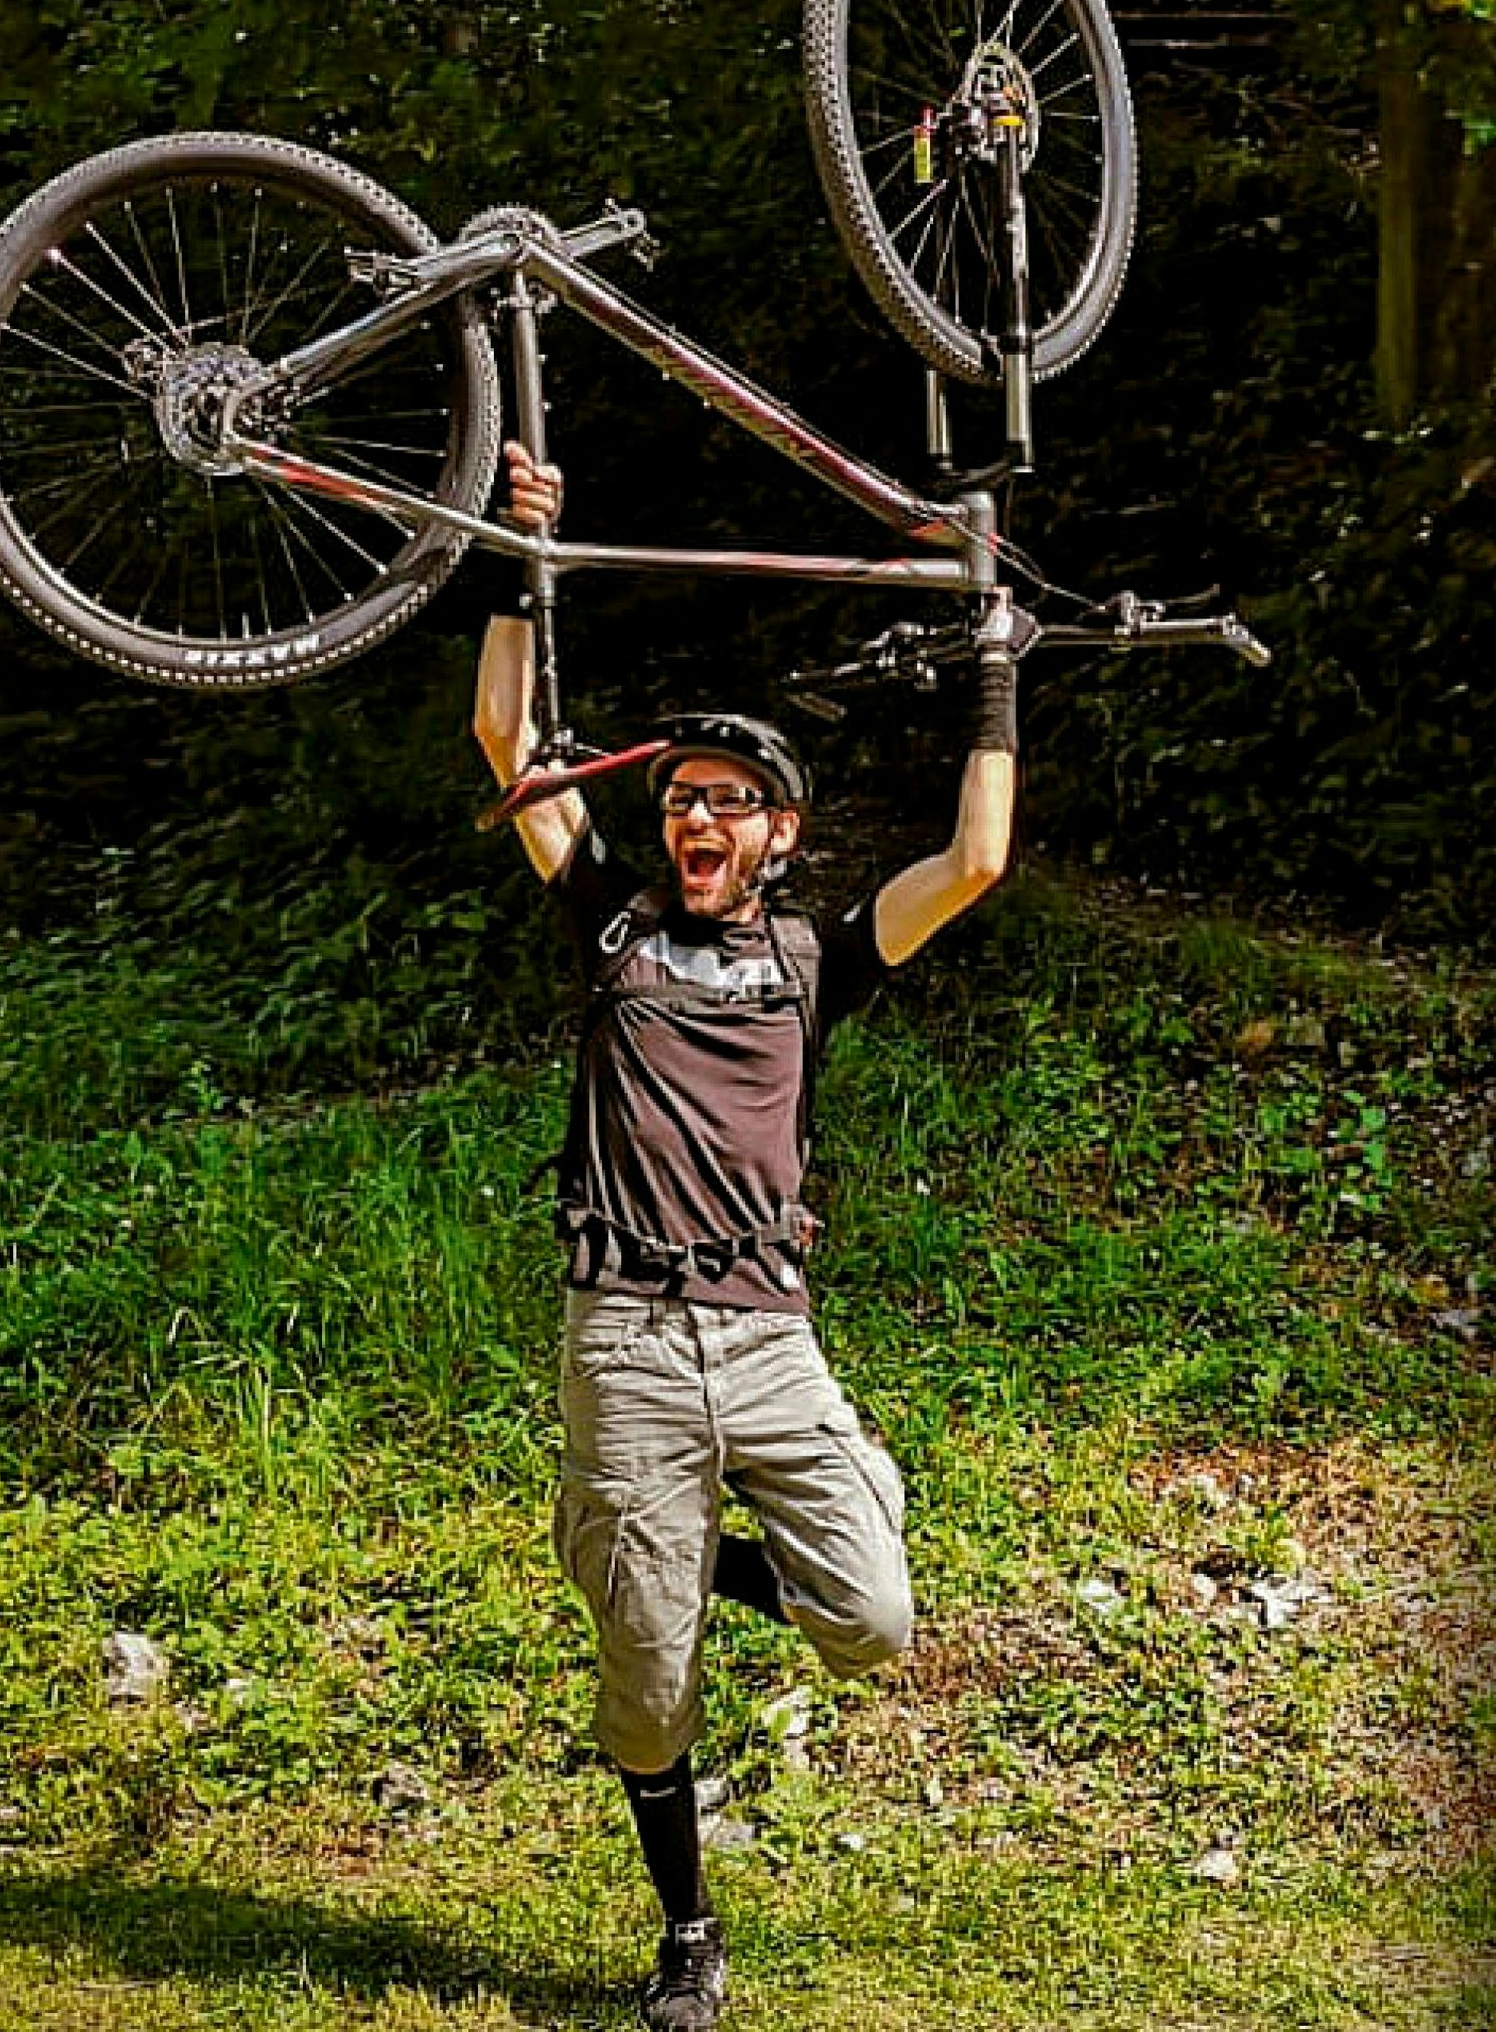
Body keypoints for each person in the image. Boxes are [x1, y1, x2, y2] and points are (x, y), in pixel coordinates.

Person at [472, 440, 1028, 2031]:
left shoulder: (813, 959)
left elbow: (976, 860)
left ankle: (702, 1545)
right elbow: (508, 734)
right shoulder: (614, 924)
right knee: (647, 1685)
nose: (697, 814)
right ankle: (688, 1929)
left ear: (783, 832)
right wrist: (519, 553)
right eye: (681, 795)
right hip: (627, 1339)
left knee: (872, 1620)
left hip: (770, 1342)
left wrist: (993, 668)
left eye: (732, 800)